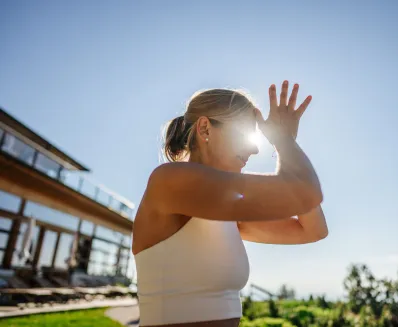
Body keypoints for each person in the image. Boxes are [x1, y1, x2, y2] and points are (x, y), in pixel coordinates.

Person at [132, 81, 329, 327]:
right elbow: (304, 193)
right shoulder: (169, 181)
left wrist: (285, 142)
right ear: (205, 128)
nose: (256, 148)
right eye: (244, 133)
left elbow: (313, 230)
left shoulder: (228, 213)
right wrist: (283, 140)